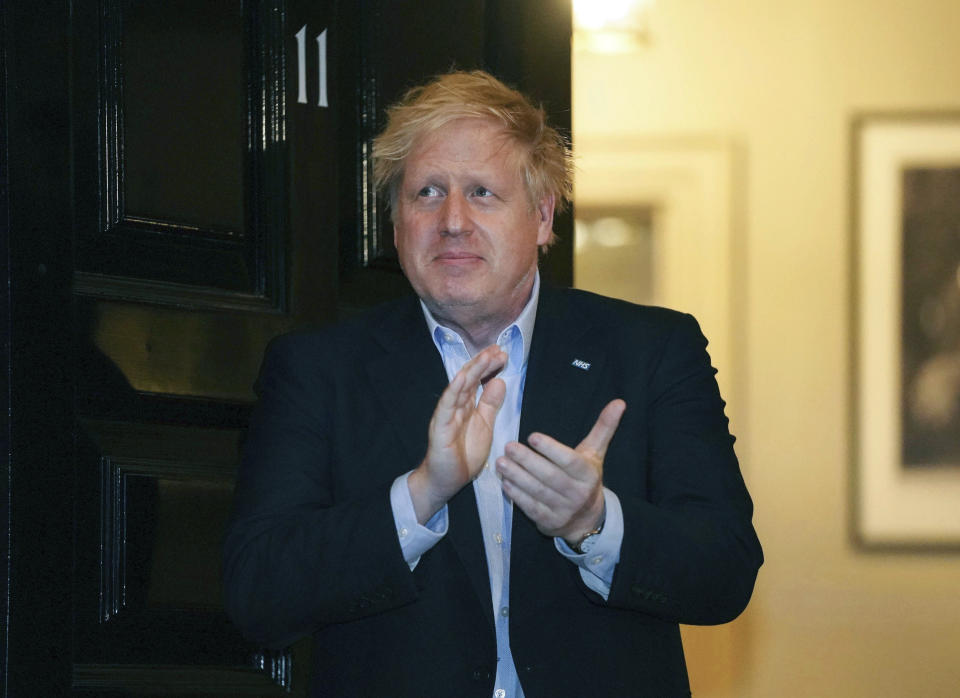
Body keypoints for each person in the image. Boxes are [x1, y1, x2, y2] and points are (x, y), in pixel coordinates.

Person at [223, 70, 762, 698]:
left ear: (541, 216)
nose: (452, 220)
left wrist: (593, 522)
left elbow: (725, 571)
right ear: (395, 224)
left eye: (482, 192)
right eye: (426, 193)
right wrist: (420, 496)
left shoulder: (651, 351)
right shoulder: (318, 370)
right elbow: (256, 593)